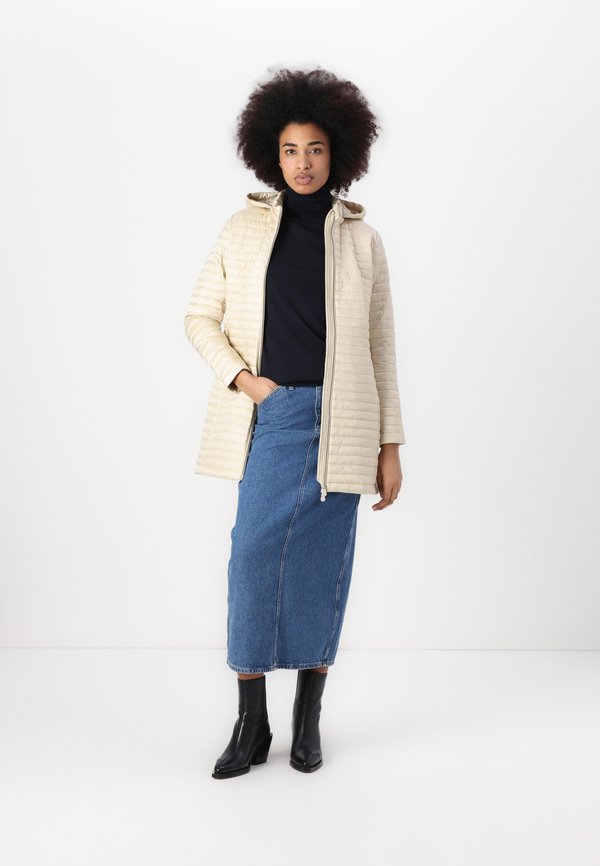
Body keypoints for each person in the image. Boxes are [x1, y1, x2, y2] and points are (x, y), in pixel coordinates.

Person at [184, 67, 406, 779]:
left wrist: (390, 445)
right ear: (270, 154)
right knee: (250, 559)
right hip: (274, 415)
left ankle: (307, 724)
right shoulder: (243, 230)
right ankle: (252, 723)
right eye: (289, 150)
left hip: (347, 421)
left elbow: (380, 347)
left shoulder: (363, 240)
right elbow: (199, 318)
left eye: (314, 149)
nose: (303, 163)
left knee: (322, 570)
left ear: (337, 152)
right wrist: (249, 383)